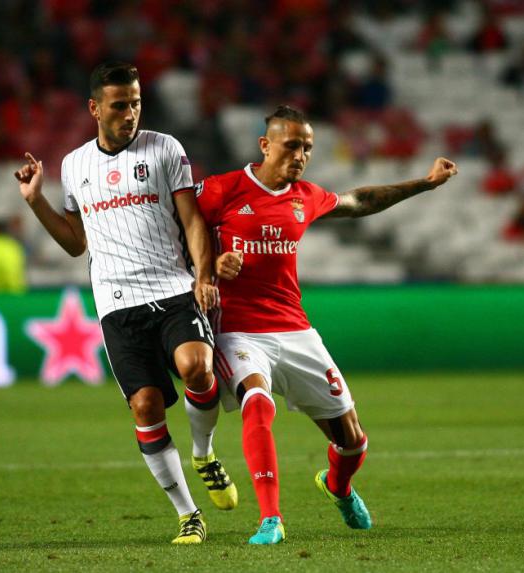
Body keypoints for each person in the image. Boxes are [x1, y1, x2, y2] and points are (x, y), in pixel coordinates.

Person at [195, 105, 458, 545]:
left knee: (353, 441)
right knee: (257, 402)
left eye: (308, 148)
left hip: (295, 329)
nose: (300, 155)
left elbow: (360, 202)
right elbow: (178, 229)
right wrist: (208, 268)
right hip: (238, 330)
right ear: (265, 145)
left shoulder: (306, 196)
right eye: (291, 145)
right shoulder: (223, 189)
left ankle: (338, 485)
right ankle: (270, 519)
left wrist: (425, 183)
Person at [13, 62, 237, 545]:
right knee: (145, 405)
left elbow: (192, 220)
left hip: (173, 289)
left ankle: (204, 452)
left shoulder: (165, 149)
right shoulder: (74, 165)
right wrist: (35, 201)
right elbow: (76, 243)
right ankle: (188, 514)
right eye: (119, 105)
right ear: (95, 109)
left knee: (198, 368)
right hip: (117, 304)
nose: (130, 113)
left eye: (135, 102)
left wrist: (203, 275)